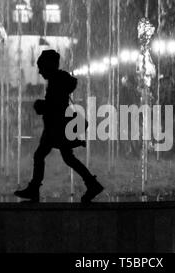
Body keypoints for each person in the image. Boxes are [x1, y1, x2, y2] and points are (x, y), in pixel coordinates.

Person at [14, 50, 104, 203]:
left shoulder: (57, 80)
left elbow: (56, 104)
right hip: (57, 125)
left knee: (41, 155)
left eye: (41, 67)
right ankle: (92, 184)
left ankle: (34, 189)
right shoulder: (58, 79)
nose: (40, 71)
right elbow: (58, 102)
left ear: (49, 66)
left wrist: (41, 105)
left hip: (57, 126)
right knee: (67, 158)